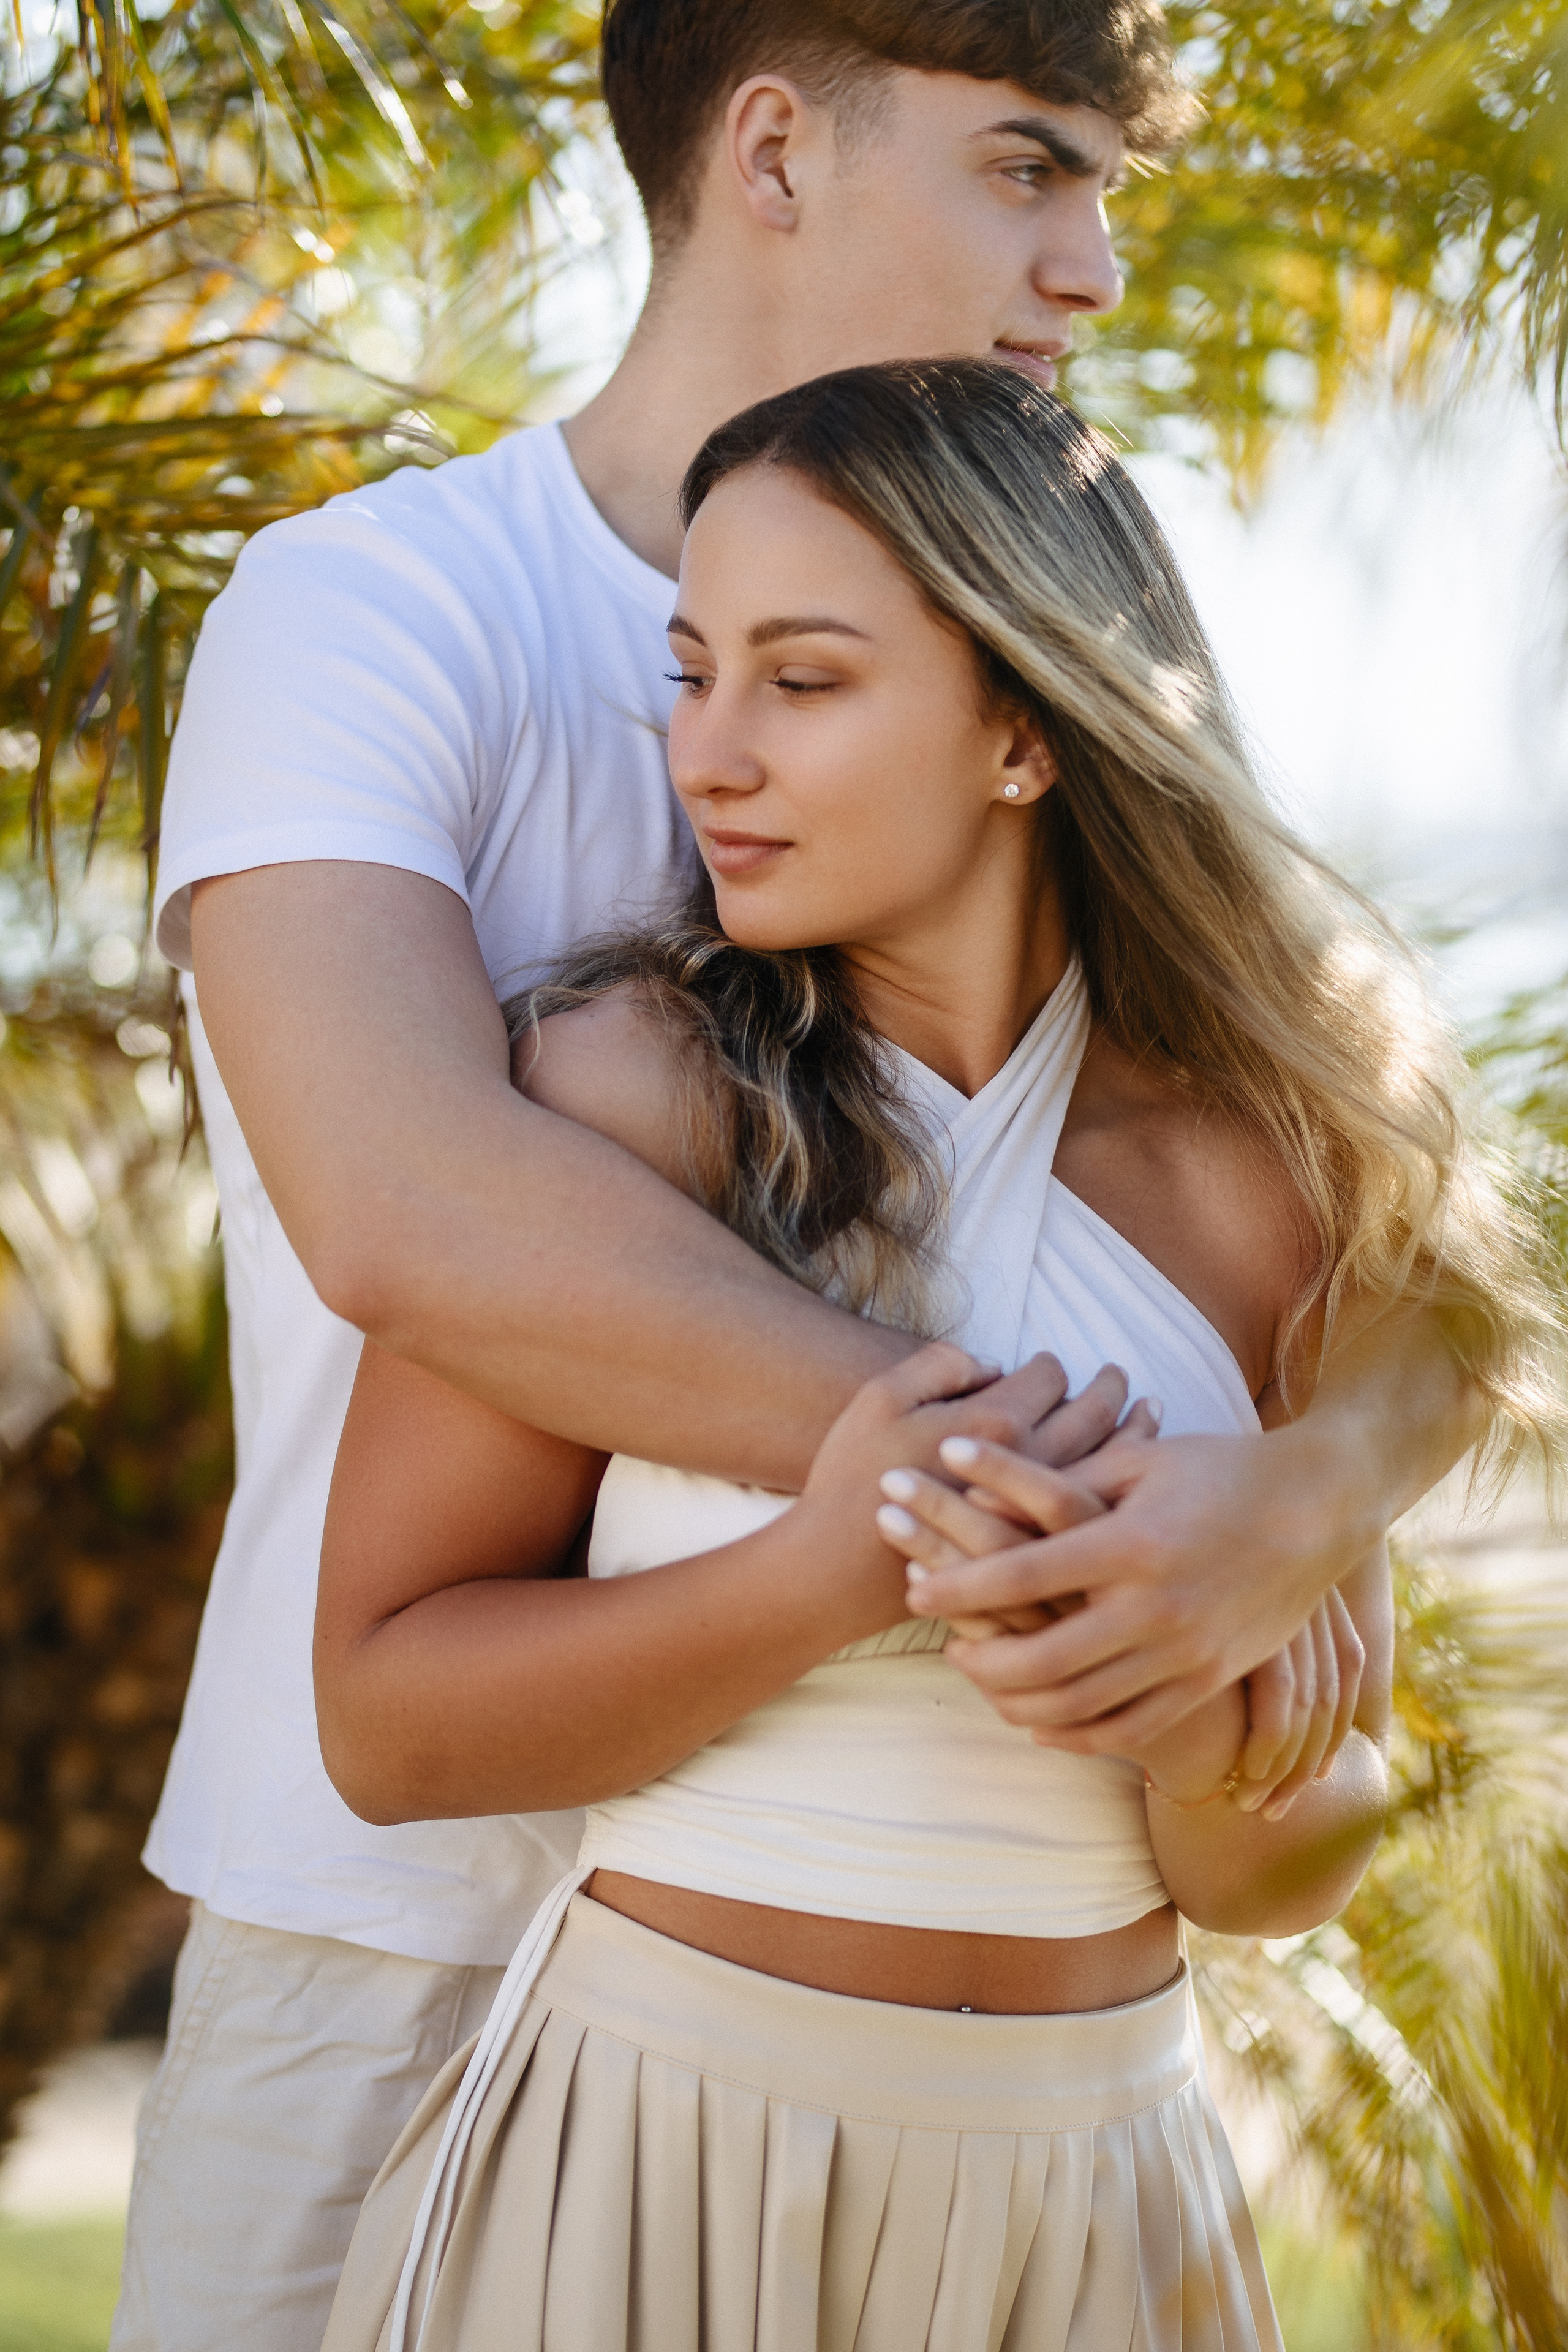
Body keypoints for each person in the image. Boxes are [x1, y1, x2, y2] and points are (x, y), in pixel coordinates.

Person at [116, 5, 1483, 2347]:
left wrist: (1299, 1498)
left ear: (1028, 723)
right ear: (772, 149)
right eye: (1030, 168)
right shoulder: (382, 611)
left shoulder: (1026, 596)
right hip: (392, 1926)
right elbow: (412, 1212)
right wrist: (1046, 1503)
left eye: (800, 678)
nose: (1095, 269)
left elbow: (1384, 1195)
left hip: (1020, 2069)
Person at [311, 361, 1555, 2352]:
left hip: (1100, 2207)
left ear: (1026, 727)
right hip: (657, 2163)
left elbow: (1288, 1871)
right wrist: (826, 1571)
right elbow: (386, 1723)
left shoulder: (1270, 1178)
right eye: (691, 673)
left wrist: (1190, 1723)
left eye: (801, 682)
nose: (707, 753)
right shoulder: (637, 1099)